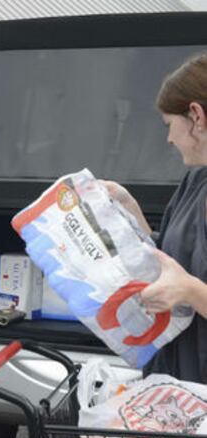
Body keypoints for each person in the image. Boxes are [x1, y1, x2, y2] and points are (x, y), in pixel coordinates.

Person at [105, 52, 207, 382]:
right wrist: (130, 211)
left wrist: (190, 290)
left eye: (169, 125)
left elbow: (187, 280)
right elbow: (173, 256)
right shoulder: (196, 182)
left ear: (196, 116)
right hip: (181, 381)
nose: (169, 139)